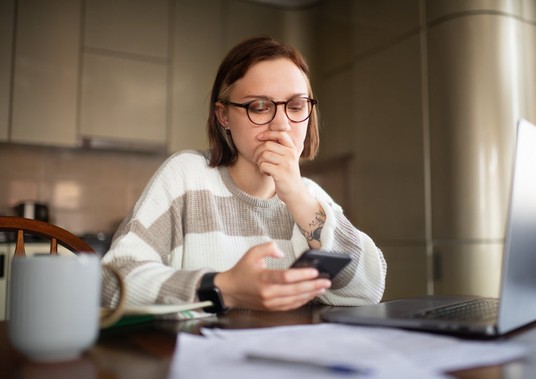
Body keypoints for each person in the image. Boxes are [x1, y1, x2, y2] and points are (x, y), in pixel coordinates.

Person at [101, 36, 386, 314]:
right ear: (224, 116)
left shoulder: (310, 196)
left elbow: (368, 290)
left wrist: (299, 198)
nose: (281, 124)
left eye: (296, 106)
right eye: (259, 107)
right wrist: (223, 287)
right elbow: (110, 282)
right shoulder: (186, 176)